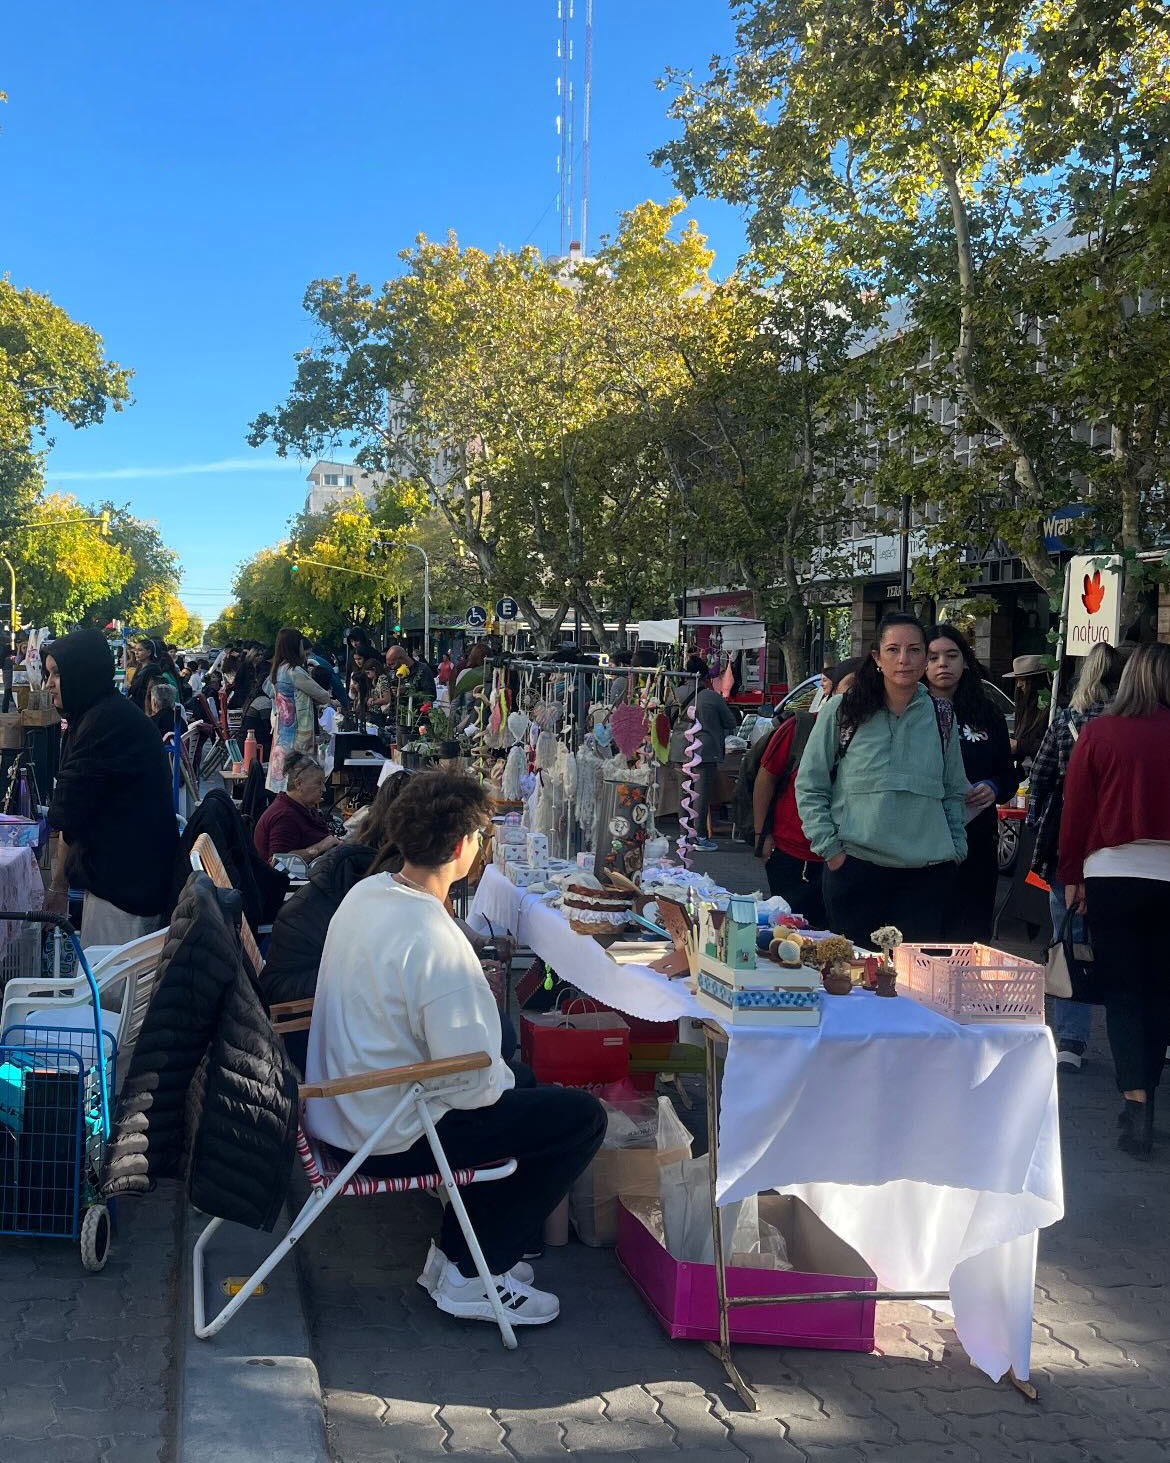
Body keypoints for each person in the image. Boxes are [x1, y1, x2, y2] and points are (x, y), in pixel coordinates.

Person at [304, 773, 605, 1326]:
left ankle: (458, 1255)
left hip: (346, 1108)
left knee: (528, 1090)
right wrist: (503, 1073)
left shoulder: (368, 892)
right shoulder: (434, 938)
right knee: (579, 1119)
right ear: (466, 846)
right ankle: (474, 1273)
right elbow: (474, 1083)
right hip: (383, 1131)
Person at [795, 613, 968, 947]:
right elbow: (810, 784)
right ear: (876, 657)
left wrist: (956, 847)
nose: (904, 659)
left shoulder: (942, 715)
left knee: (913, 987)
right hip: (855, 869)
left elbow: (952, 789)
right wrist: (830, 849)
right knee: (854, 982)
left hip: (927, 875)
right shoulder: (843, 711)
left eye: (915, 650)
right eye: (893, 649)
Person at [1059, 644, 1170, 1158]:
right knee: (1161, 993)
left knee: (1123, 993)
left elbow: (1075, 808)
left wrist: (1071, 876)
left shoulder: (1100, 733)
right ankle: (1149, 1084)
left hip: (1112, 876)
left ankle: (1136, 1102)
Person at [43, 629, 178, 947]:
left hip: (126, 888)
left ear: (82, 672)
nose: (48, 683)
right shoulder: (98, 714)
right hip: (125, 877)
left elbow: (66, 814)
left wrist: (58, 888)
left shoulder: (103, 724)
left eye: (57, 674)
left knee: (111, 994)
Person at [1028, 642, 1126, 1072]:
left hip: (1069, 842)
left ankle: (1071, 1038)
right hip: (1123, 845)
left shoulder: (1068, 722)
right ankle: (1138, 1029)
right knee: (1128, 939)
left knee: (1068, 937)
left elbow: (1042, 778)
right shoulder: (1134, 725)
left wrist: (1036, 823)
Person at [924, 625, 1017, 942]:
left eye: (951, 655)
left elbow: (1008, 775)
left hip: (976, 840)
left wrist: (993, 787)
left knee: (969, 937)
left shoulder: (987, 712)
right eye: (933, 657)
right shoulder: (909, 713)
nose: (942, 664)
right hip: (921, 841)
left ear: (965, 661)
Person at [754, 659, 862, 923]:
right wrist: (762, 835)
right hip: (793, 854)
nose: (856, 696)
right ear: (831, 691)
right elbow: (765, 780)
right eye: (849, 688)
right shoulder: (801, 728)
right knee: (791, 932)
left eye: (866, 689)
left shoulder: (875, 738)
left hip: (851, 857)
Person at [677, 657, 737, 853]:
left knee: (684, 793)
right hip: (704, 750)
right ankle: (699, 836)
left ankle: (683, 834)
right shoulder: (711, 697)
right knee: (700, 796)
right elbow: (730, 722)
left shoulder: (674, 693)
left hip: (678, 749)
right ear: (705, 676)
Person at [267, 628, 333, 793]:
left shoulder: (278, 670)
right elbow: (321, 694)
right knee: (296, 785)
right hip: (297, 736)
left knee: (283, 783)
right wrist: (333, 701)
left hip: (282, 733)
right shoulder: (294, 671)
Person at [253, 752, 339, 864]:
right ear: (299, 784)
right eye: (318, 783)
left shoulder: (304, 807)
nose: (323, 789)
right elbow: (278, 862)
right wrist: (320, 847)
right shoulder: (284, 816)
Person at [1005, 654, 1051, 781]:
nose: (1019, 685)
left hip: (1042, 776)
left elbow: (1050, 746)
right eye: (1017, 680)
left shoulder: (1052, 707)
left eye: (1022, 680)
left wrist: (1019, 745)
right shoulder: (1024, 705)